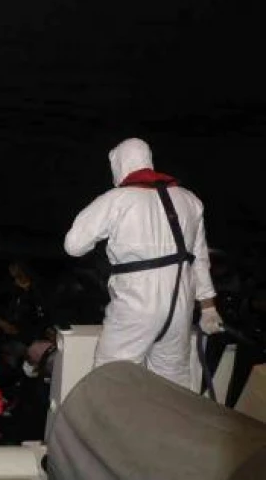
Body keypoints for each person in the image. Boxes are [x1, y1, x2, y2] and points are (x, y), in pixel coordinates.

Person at [64, 138, 223, 388]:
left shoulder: (117, 199)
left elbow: (73, 246)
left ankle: (111, 426)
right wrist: (209, 308)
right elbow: (199, 259)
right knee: (173, 385)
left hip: (136, 306)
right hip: (179, 307)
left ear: (119, 164)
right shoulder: (190, 200)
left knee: (111, 379)